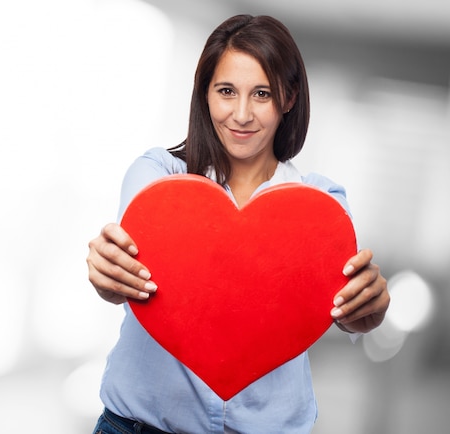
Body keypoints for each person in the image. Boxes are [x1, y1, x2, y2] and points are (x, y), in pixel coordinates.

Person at [86, 14, 390, 433]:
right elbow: (125, 271)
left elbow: (341, 310)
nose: (242, 114)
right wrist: (107, 279)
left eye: (261, 94)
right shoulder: (158, 178)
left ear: (288, 98)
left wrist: (367, 312)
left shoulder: (320, 204)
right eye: (226, 91)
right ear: (205, 94)